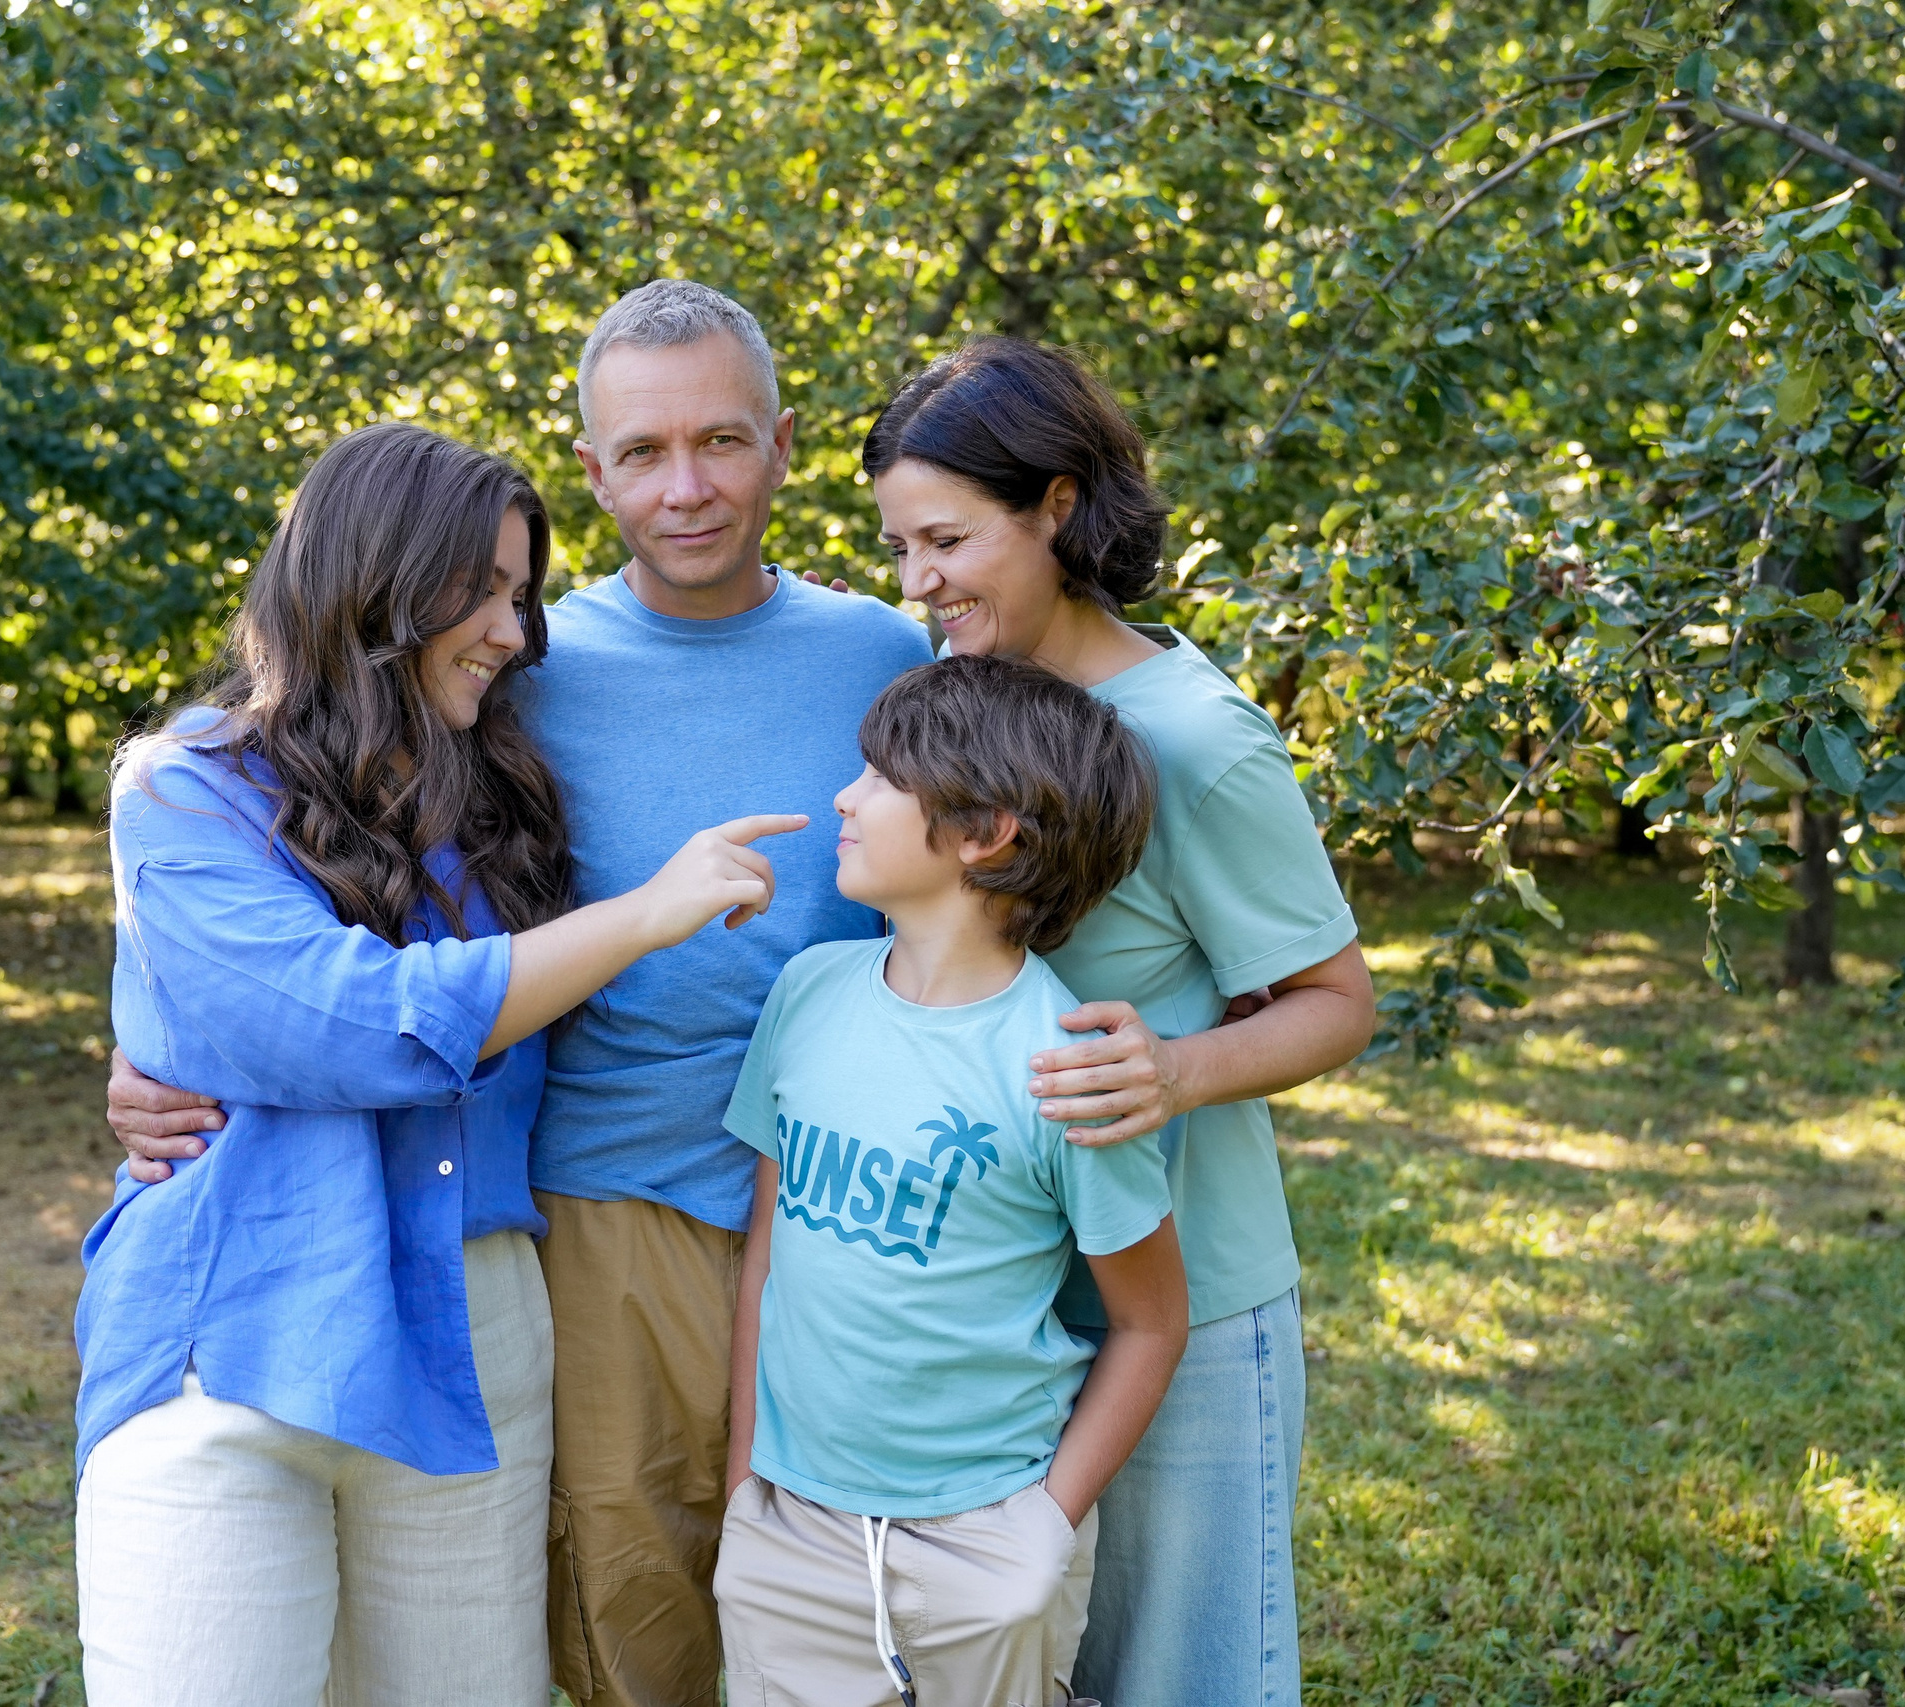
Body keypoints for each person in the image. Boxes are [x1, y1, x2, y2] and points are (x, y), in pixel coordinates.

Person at [103, 284, 1196, 1707]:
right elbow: (327, 874)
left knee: (908, 1614)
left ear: (785, 444)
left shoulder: (888, 649)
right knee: (645, 1610)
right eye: (641, 453)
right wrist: (151, 1055)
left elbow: (1030, 806)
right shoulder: (516, 681)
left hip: (880, 1211)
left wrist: (1163, 1041)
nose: (686, 488)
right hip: (607, 1208)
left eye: (723, 442)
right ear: (593, 465)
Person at [72, 421, 809, 1706]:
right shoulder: (187, 789)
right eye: (484, 593)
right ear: (377, 586)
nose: (515, 632)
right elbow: (344, 1022)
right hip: (237, 1338)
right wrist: (643, 912)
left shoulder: (502, 801)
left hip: (479, 1345)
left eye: (523, 596)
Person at [863, 336, 1379, 1707]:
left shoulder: (1197, 740)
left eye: (947, 539)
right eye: (900, 547)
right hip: (991, 1306)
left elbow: (1338, 1002)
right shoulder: (968, 711)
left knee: (1175, 1676)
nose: (920, 583)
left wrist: (1176, 1065)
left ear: (1058, 504)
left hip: (1179, 1307)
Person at [716, 655, 1191, 1707]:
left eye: (881, 777)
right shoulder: (807, 995)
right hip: (792, 1534)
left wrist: (1038, 1535)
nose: (845, 795)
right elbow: (769, 1256)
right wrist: (746, 1488)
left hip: (988, 1541)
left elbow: (1151, 1323)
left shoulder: (1065, 1070)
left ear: (984, 833)